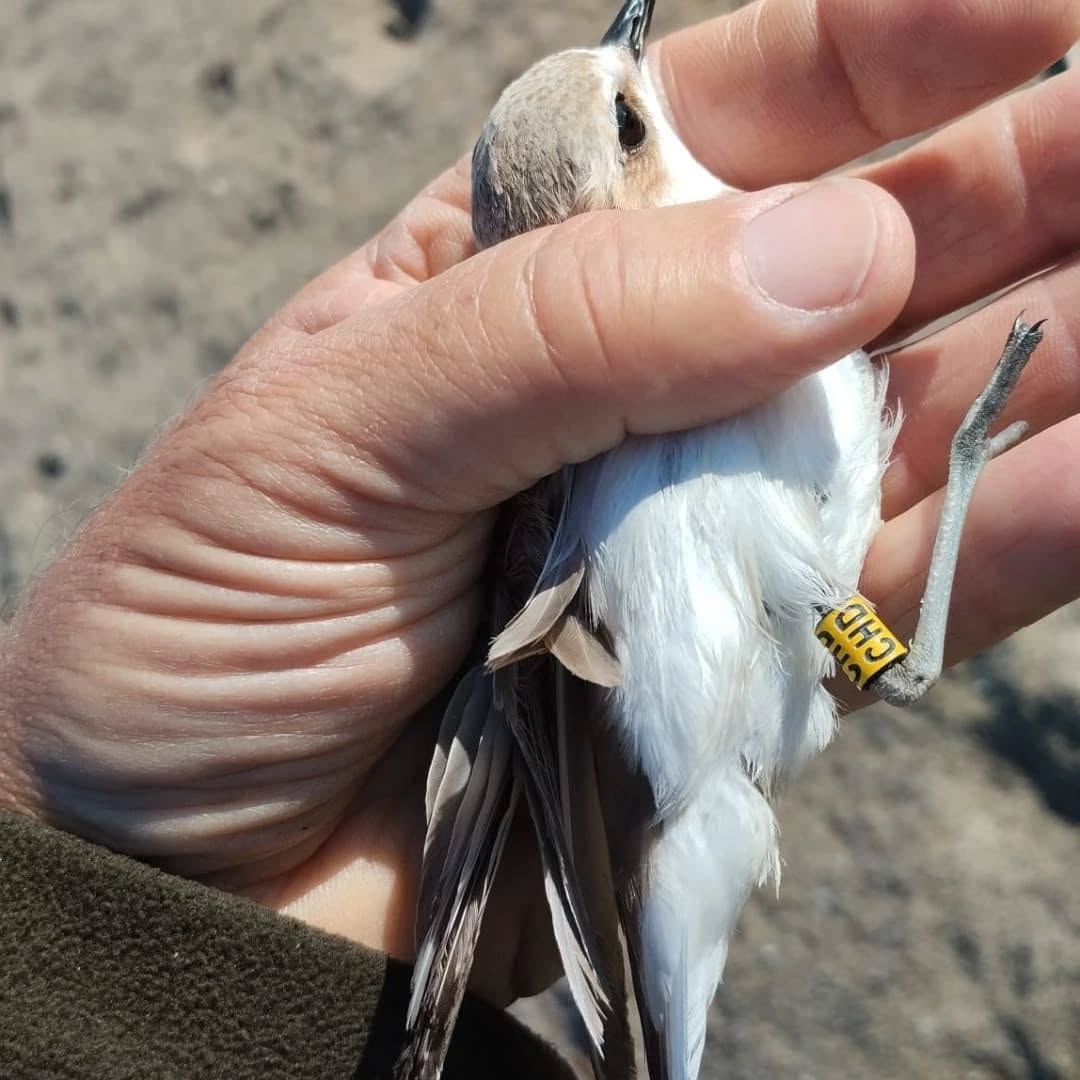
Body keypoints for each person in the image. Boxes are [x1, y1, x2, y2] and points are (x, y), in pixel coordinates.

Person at [2, 1, 1079, 1075]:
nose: (635, 62)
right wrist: (968, 450)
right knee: (880, 666)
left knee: (875, 659)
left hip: (735, 655)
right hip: (719, 686)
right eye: (628, 127)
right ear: (614, 209)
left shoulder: (590, 439)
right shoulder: (606, 400)